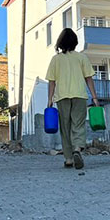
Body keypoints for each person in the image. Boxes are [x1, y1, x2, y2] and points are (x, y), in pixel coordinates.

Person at [45, 28, 98, 170]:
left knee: (65, 127)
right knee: (78, 125)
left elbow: (51, 81)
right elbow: (89, 78)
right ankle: (77, 149)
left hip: (62, 97)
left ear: (60, 43)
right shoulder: (82, 57)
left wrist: (49, 99)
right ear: (75, 42)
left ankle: (68, 159)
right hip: (79, 95)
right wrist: (94, 96)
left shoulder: (56, 59)